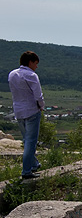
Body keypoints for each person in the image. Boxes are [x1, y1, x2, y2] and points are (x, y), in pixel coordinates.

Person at [8, 51, 45, 179]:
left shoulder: (12, 74)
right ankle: (26, 171)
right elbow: (38, 95)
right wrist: (41, 106)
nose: (36, 66)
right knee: (31, 142)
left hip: (18, 111)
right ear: (30, 62)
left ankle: (34, 163)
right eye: (35, 63)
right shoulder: (32, 75)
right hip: (31, 110)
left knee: (26, 140)